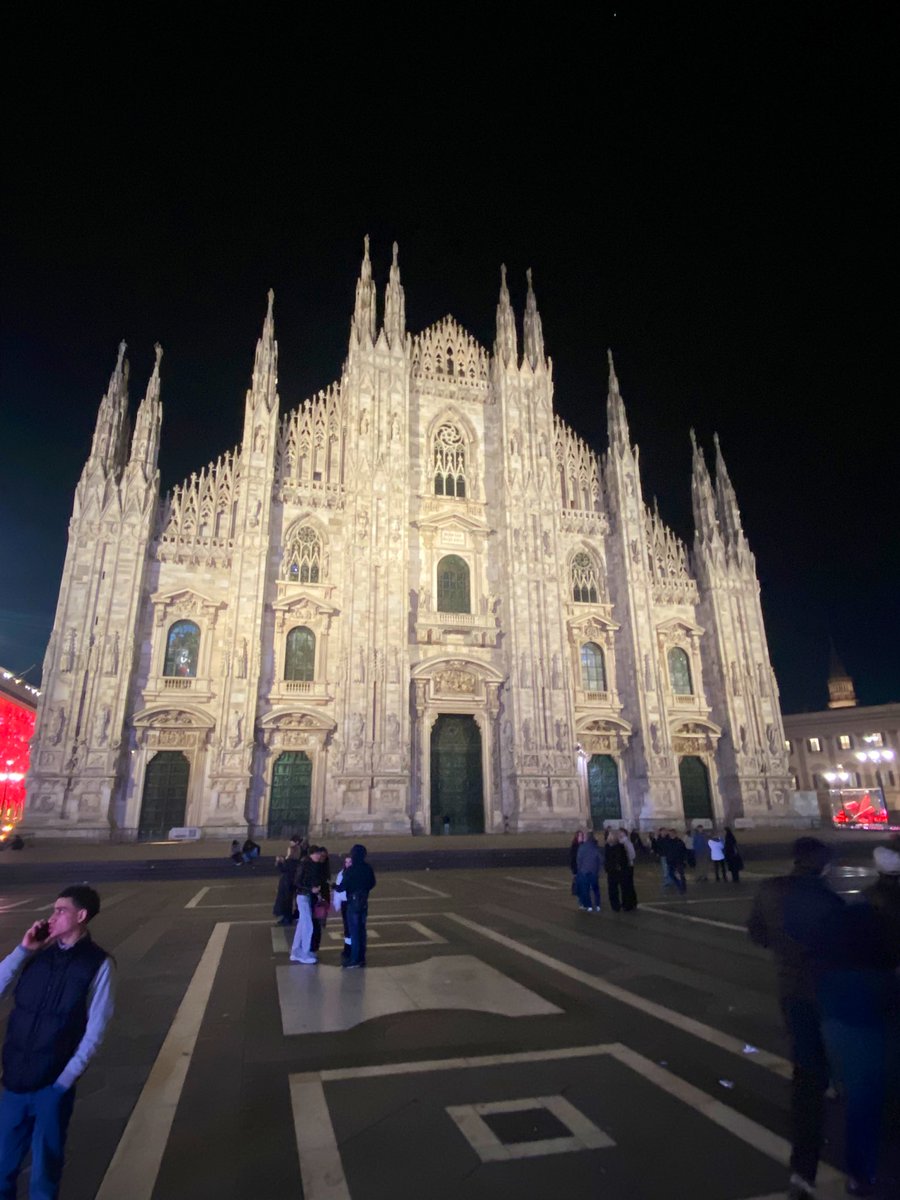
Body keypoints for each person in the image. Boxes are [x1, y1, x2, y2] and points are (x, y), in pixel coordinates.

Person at [747, 837, 883, 1199]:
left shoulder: (771, 891)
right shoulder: (832, 902)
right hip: (832, 997)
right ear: (824, 866)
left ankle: (802, 1173)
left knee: (806, 1077)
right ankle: (860, 1173)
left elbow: (757, 933)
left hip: (793, 992)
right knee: (855, 1080)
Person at [0, 885, 115, 1200]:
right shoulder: (36, 955)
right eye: (53, 910)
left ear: (81, 916)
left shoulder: (98, 964)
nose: (51, 917)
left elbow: (96, 1029)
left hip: (52, 1085)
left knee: (44, 1175)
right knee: (2, 1168)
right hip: (14, 1082)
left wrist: (63, 1082)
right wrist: (23, 950)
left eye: (61, 911)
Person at [341, 844, 376, 968]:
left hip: (353, 902)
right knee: (362, 930)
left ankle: (354, 959)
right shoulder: (367, 868)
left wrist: (334, 886)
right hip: (363, 901)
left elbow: (342, 887)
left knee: (354, 931)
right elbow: (372, 883)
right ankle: (361, 957)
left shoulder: (351, 870)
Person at [290, 844, 321, 964]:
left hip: (305, 896)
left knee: (302, 924)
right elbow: (297, 882)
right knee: (308, 925)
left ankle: (295, 950)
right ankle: (304, 952)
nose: (318, 856)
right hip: (303, 896)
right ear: (311, 854)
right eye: (316, 854)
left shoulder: (310, 864)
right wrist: (311, 889)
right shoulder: (305, 864)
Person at [309, 847, 331, 955]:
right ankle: (312, 946)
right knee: (313, 924)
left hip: (321, 899)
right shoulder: (315, 867)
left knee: (317, 924)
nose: (321, 858)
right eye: (320, 856)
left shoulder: (323, 867)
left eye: (324, 856)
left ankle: (314, 947)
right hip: (315, 898)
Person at [332, 853, 353, 962]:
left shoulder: (353, 873)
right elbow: (338, 891)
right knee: (347, 926)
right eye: (346, 862)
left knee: (352, 926)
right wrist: (337, 903)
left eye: (350, 862)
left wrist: (336, 887)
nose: (348, 864)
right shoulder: (341, 873)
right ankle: (348, 947)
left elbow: (340, 888)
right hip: (345, 903)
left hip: (352, 902)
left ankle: (352, 948)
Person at [273, 842, 300, 925]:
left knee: (286, 901)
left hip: (287, 883)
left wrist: (281, 862)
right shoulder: (293, 861)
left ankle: (287, 918)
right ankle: (286, 917)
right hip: (287, 883)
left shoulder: (291, 862)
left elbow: (285, 869)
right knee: (286, 901)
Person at [575, 832, 603, 912]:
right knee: (595, 889)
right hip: (594, 872)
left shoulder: (582, 847)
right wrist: (598, 869)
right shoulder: (595, 847)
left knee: (586, 889)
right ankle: (597, 905)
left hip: (584, 871)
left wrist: (579, 869)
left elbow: (579, 860)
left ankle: (589, 905)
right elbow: (600, 859)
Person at [605, 830, 630, 912]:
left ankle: (617, 906)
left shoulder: (610, 847)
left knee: (615, 889)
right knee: (621, 888)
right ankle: (623, 905)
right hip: (616, 870)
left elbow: (608, 860)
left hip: (615, 870)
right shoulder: (618, 847)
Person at [660, 828, 687, 894]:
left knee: (681, 874)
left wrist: (684, 859)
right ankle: (679, 885)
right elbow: (665, 849)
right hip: (670, 861)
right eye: (670, 834)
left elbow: (683, 851)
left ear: (674, 834)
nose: (670, 835)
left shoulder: (679, 842)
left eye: (672, 833)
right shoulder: (668, 841)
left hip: (678, 861)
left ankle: (682, 888)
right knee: (671, 874)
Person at [569, 830, 585, 897]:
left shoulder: (584, 845)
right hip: (576, 864)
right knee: (575, 878)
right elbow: (572, 857)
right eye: (579, 836)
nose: (580, 837)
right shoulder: (574, 845)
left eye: (581, 836)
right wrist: (573, 866)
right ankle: (575, 890)